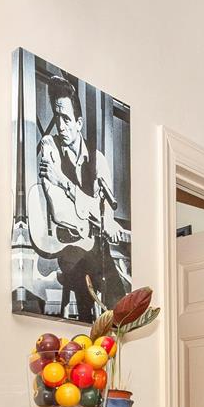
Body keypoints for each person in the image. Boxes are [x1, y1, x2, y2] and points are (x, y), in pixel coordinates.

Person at [35, 83, 127, 321]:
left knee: (121, 305)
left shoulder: (98, 159)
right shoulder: (49, 146)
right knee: (86, 273)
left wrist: (63, 182)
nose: (61, 126)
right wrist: (92, 211)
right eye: (57, 117)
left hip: (97, 247)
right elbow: (59, 212)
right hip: (66, 246)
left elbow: (106, 214)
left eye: (66, 119)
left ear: (79, 123)